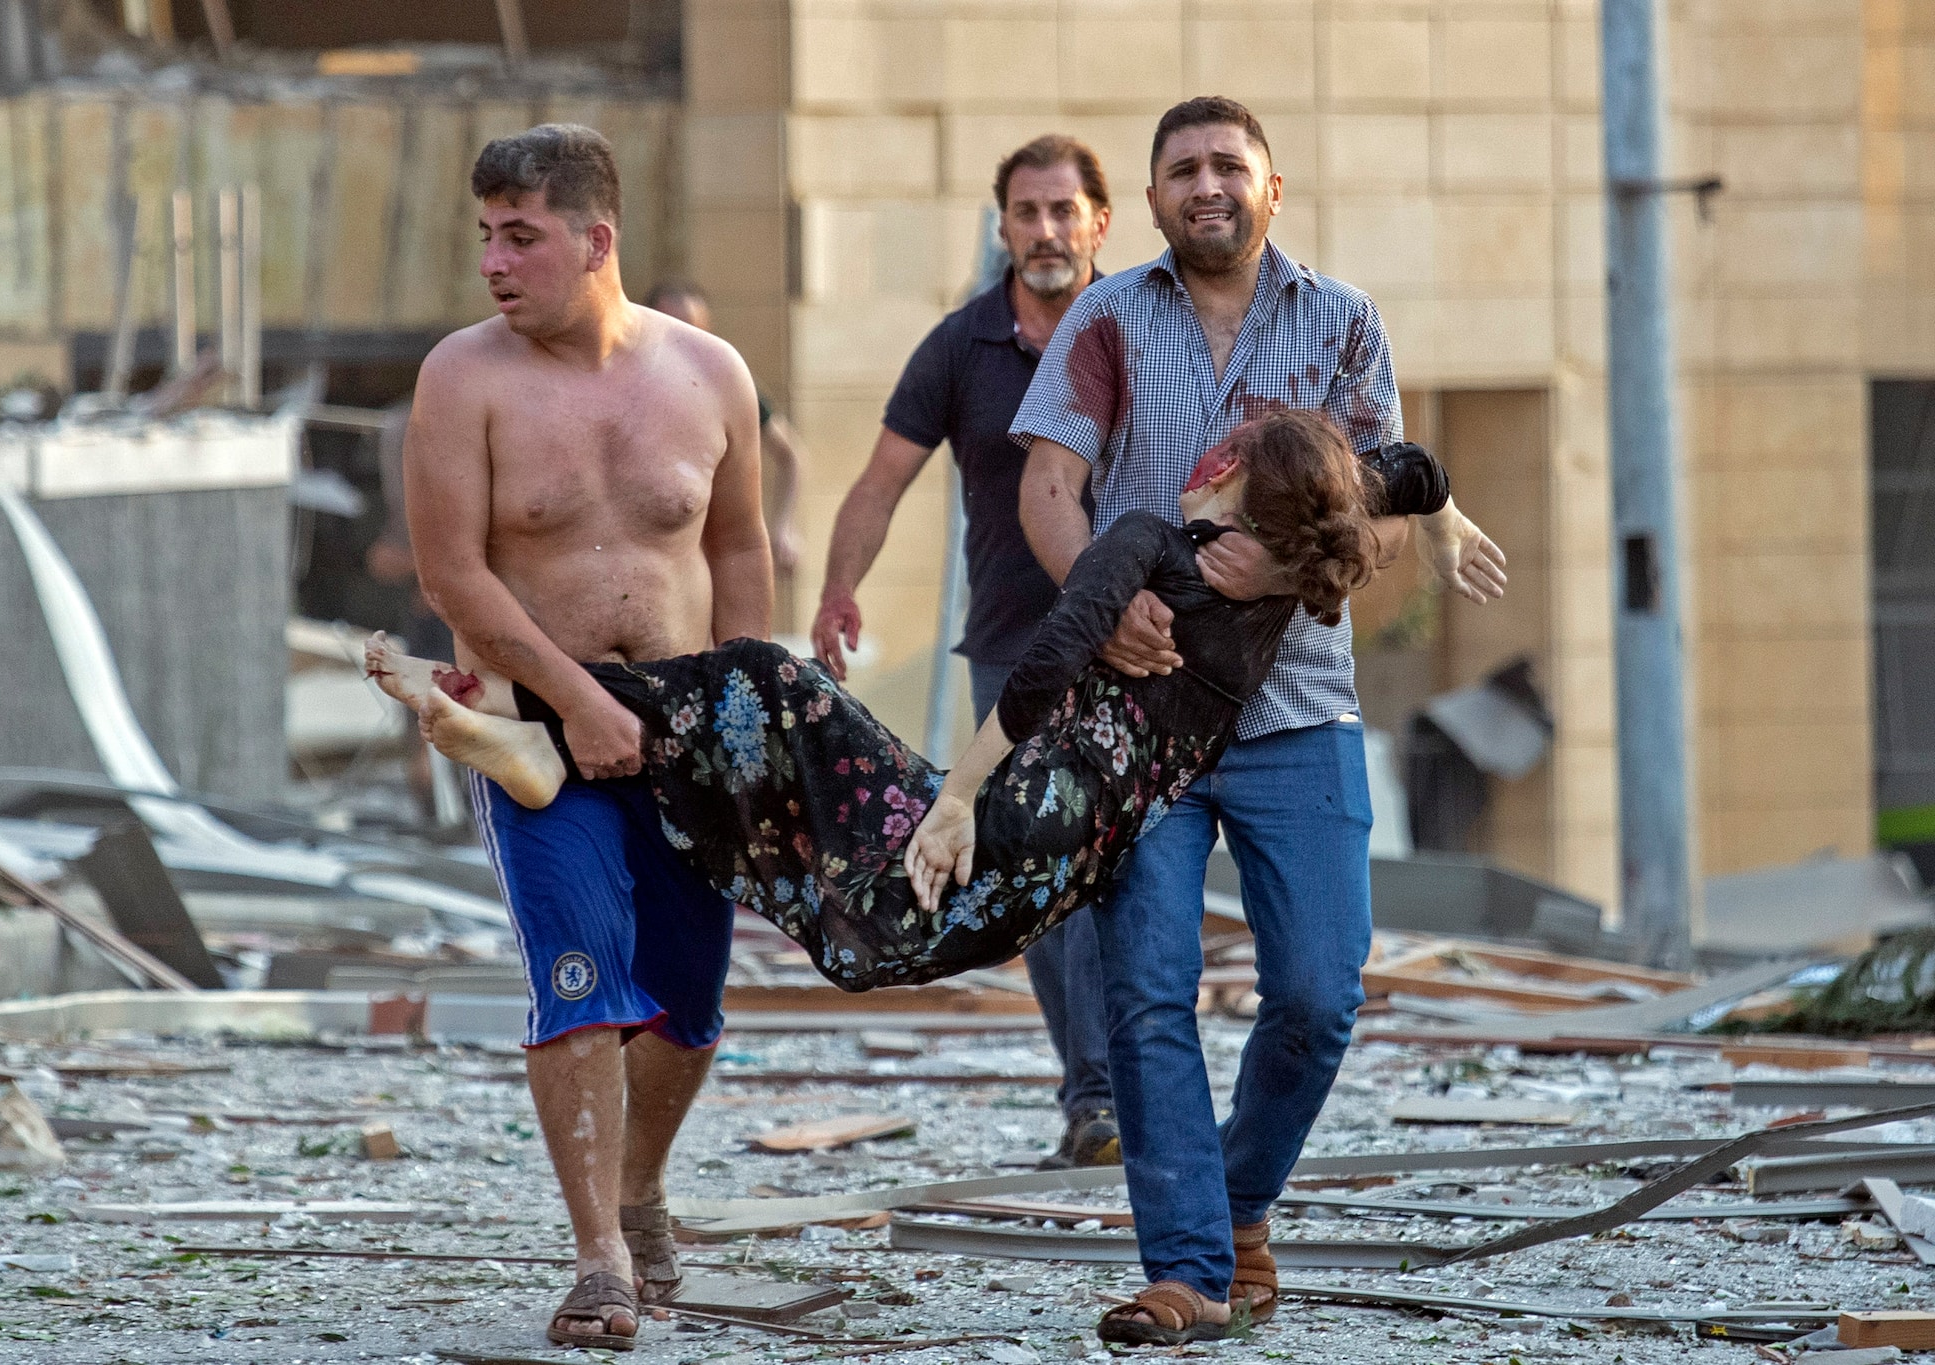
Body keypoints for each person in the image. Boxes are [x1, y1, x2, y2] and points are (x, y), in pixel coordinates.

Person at [367, 412, 1447, 999]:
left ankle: (538, 716)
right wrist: (1448, 527)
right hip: (1064, 861)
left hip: (1008, 815)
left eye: (1228, 454)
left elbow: (1041, 671)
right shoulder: (1289, 581)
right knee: (771, 703)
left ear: (1236, 483)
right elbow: (1409, 471)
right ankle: (541, 732)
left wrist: (953, 804)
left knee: (768, 681)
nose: (1204, 458)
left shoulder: (1146, 546)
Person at [1011, 98, 1508, 1344]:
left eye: (1227, 165)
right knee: (1144, 990)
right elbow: (1049, 485)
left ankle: (1234, 1201)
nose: (1205, 186)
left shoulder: (1342, 324)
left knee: (1317, 992)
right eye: (1180, 170)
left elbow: (1383, 505)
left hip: (1298, 711)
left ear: (1271, 189)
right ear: (1155, 195)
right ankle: (1184, 1268)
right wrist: (1105, 603)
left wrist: (1282, 574)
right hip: (1148, 720)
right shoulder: (1106, 317)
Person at [402, 122, 773, 1351]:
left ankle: (640, 1184)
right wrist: (577, 699)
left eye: (522, 237)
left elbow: (734, 551)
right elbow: (454, 575)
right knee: (578, 979)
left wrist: (748, 714)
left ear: (594, 238)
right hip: (535, 740)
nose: (495, 264)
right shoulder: (464, 377)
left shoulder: (710, 371)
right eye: (485, 238)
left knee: (689, 1003)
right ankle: (599, 1258)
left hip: (682, 735)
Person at [808, 134, 1123, 1169]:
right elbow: (878, 480)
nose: (1044, 231)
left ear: (1097, 223)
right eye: (1026, 213)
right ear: (1002, 228)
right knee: (1038, 874)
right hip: (1012, 651)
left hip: (1139, 644)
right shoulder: (959, 346)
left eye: (1062, 211)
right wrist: (837, 589)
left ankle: (1134, 1084)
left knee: (1128, 873)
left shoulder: (1143, 324)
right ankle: (1092, 1098)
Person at [643, 280, 807, 576]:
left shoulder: (725, 385)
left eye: (696, 333)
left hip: (712, 549)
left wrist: (784, 527)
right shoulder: (628, 386)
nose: (685, 346)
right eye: (675, 332)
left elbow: (791, 454)